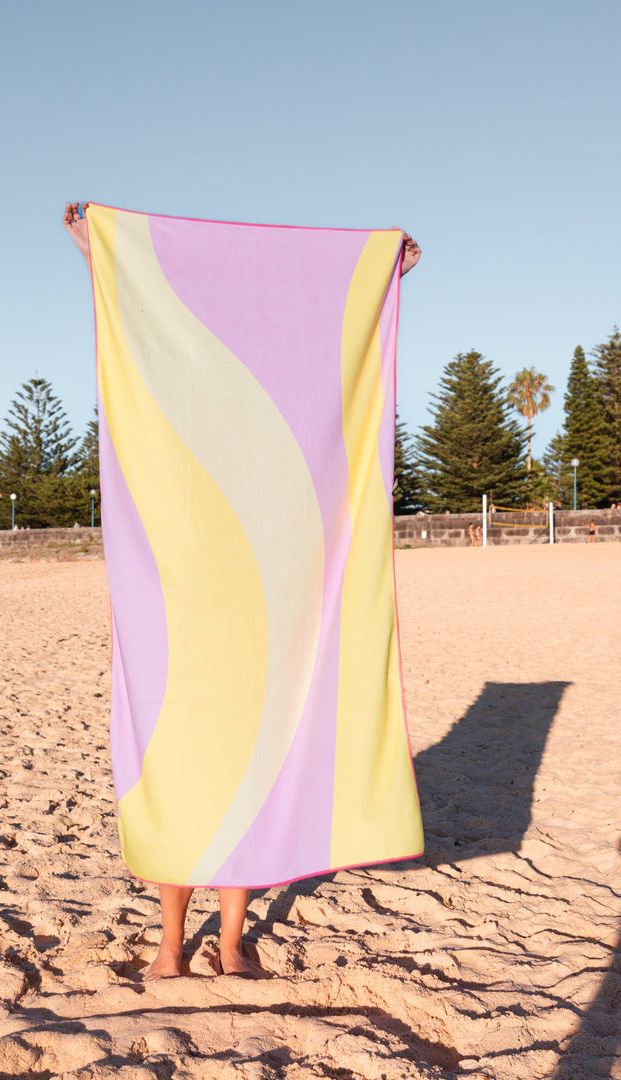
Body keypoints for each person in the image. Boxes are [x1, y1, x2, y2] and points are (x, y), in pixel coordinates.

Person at [64, 201, 421, 979]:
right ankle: (179, 944)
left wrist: (379, 279)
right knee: (188, 773)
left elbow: (300, 346)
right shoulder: (184, 445)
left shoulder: (254, 458)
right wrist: (100, 252)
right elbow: (147, 328)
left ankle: (216, 944)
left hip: (246, 608)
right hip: (184, 611)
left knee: (239, 768)